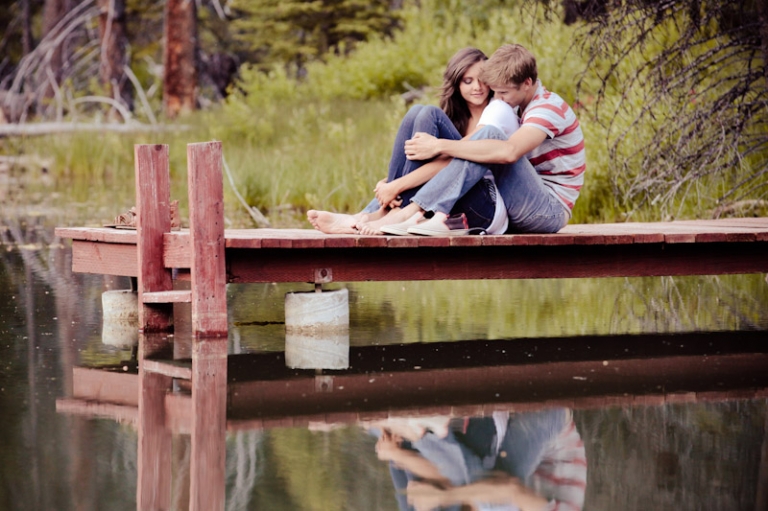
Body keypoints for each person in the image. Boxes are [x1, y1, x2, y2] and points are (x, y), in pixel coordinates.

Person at [367, 43, 586, 236]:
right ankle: (388, 209)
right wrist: (392, 182)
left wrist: (438, 145)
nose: (498, 99)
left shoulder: (547, 108)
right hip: (520, 198)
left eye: (503, 93)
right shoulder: (520, 103)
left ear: (527, 83)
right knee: (423, 113)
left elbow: (509, 152)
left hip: (548, 211)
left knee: (491, 136)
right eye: (496, 92)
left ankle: (413, 210)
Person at [307, 47, 517, 236]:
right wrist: (388, 183)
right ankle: (367, 216)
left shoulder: (496, 112)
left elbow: (451, 164)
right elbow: (435, 168)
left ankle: (386, 214)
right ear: (456, 84)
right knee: (417, 112)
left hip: (484, 204)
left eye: (482, 79)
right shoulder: (456, 119)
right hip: (447, 203)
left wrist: (396, 185)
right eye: (467, 81)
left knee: (429, 114)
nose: (477, 87)